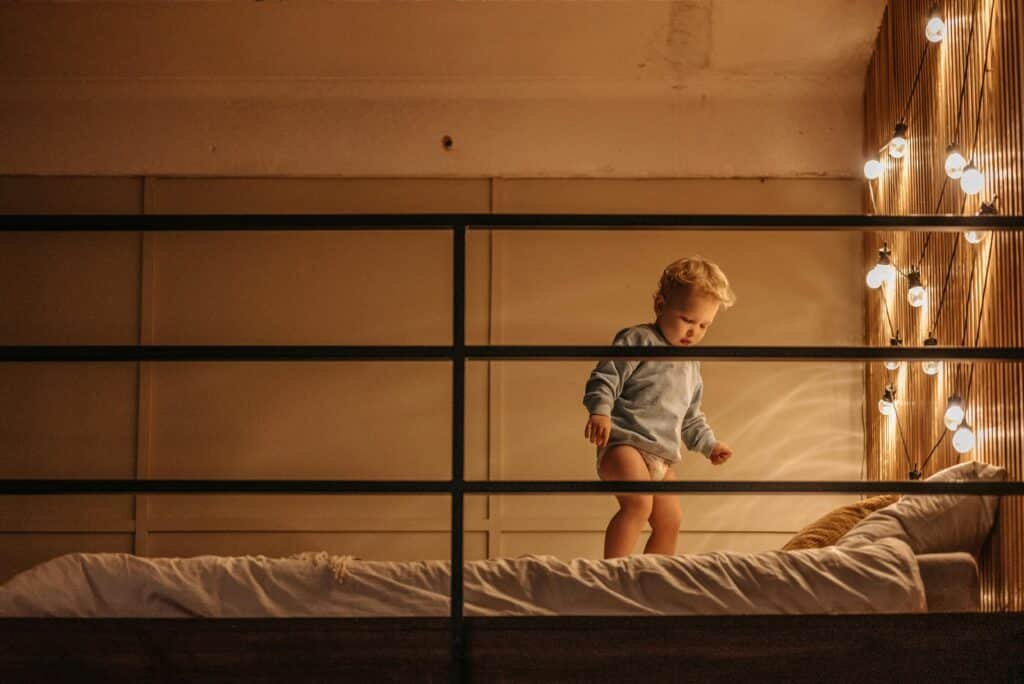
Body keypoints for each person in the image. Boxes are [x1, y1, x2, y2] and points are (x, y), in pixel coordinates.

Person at [582, 256, 736, 559]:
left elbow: (691, 417)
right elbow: (606, 376)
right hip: (625, 446)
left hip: (662, 458)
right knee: (639, 505)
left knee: (670, 520)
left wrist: (709, 445)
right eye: (687, 320)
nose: (694, 332)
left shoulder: (691, 363)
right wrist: (600, 411)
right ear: (660, 304)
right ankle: (611, 573)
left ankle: (654, 579)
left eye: (704, 325)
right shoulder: (638, 339)